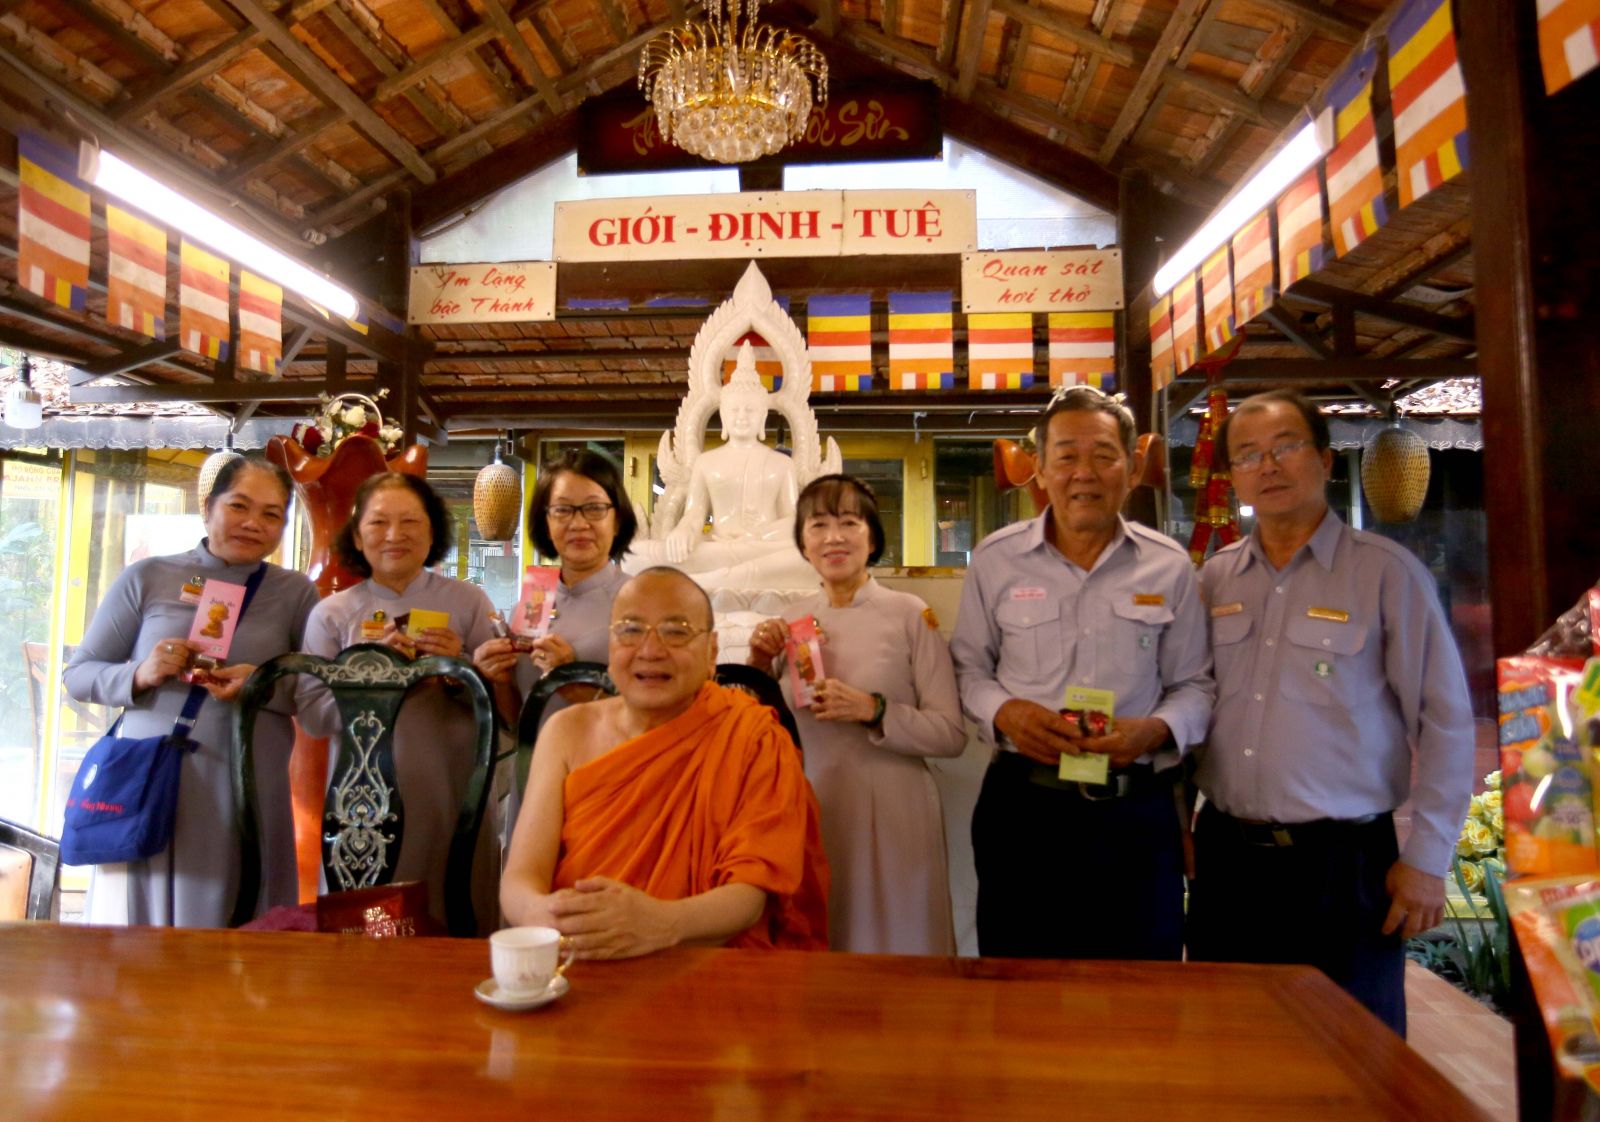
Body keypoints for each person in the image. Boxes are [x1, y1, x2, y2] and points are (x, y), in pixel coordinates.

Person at [1188, 389, 1474, 1035]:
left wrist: (1428, 858)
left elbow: (1446, 721)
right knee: (1228, 1042)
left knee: (1353, 1048)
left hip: (1343, 864)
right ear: (1232, 475)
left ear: (1323, 460)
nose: (1268, 466)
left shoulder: (1387, 573)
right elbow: (1189, 703)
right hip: (1228, 859)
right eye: (1248, 454)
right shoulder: (1214, 580)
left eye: (1285, 447)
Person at [949, 386, 1214, 960]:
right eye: (1066, 456)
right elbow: (969, 668)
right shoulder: (996, 560)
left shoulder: (1168, 566)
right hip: (1025, 809)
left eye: (1103, 455)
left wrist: (1156, 730)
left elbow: (1195, 685)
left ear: (1132, 468)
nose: (1083, 473)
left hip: (1135, 813)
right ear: (1041, 470)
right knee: (1018, 983)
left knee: (1141, 986)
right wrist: (1006, 713)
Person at [501, 566, 829, 958]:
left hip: (704, 964)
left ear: (711, 652)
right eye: (631, 630)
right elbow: (520, 879)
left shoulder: (752, 738)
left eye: (676, 631)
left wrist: (661, 923)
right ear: (611, 646)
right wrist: (546, 915)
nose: (651, 650)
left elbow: (751, 894)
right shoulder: (566, 731)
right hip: (583, 959)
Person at [63, 457, 319, 927]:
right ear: (208, 507)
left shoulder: (296, 593)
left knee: (236, 915)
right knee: (138, 932)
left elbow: (317, 694)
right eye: (239, 506)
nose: (253, 523)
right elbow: (79, 675)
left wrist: (260, 684)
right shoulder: (148, 576)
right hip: (148, 778)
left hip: (244, 783)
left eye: (271, 514)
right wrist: (141, 673)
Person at [748, 474, 966, 954]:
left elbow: (951, 734)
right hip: (813, 803)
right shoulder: (792, 621)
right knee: (823, 933)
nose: (834, 537)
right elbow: (762, 727)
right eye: (818, 525)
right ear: (802, 544)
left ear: (872, 537)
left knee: (897, 940)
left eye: (849, 522)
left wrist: (874, 710)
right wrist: (760, 663)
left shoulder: (910, 614)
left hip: (893, 806)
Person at [297, 472, 499, 932]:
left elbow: (500, 703)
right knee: (368, 922)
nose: (394, 535)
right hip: (361, 804)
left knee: (455, 910)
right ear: (357, 535)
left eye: (410, 522)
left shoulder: (469, 603)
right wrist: (373, 677)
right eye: (378, 522)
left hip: (453, 791)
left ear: (433, 531)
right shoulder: (331, 614)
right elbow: (311, 715)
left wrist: (458, 667)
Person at [472, 447, 636, 727]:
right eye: (562, 510)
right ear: (546, 522)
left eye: (594, 508)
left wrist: (569, 678)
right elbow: (519, 722)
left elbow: (653, 716)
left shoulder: (640, 602)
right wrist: (499, 681)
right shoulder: (530, 602)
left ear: (617, 520)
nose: (578, 524)